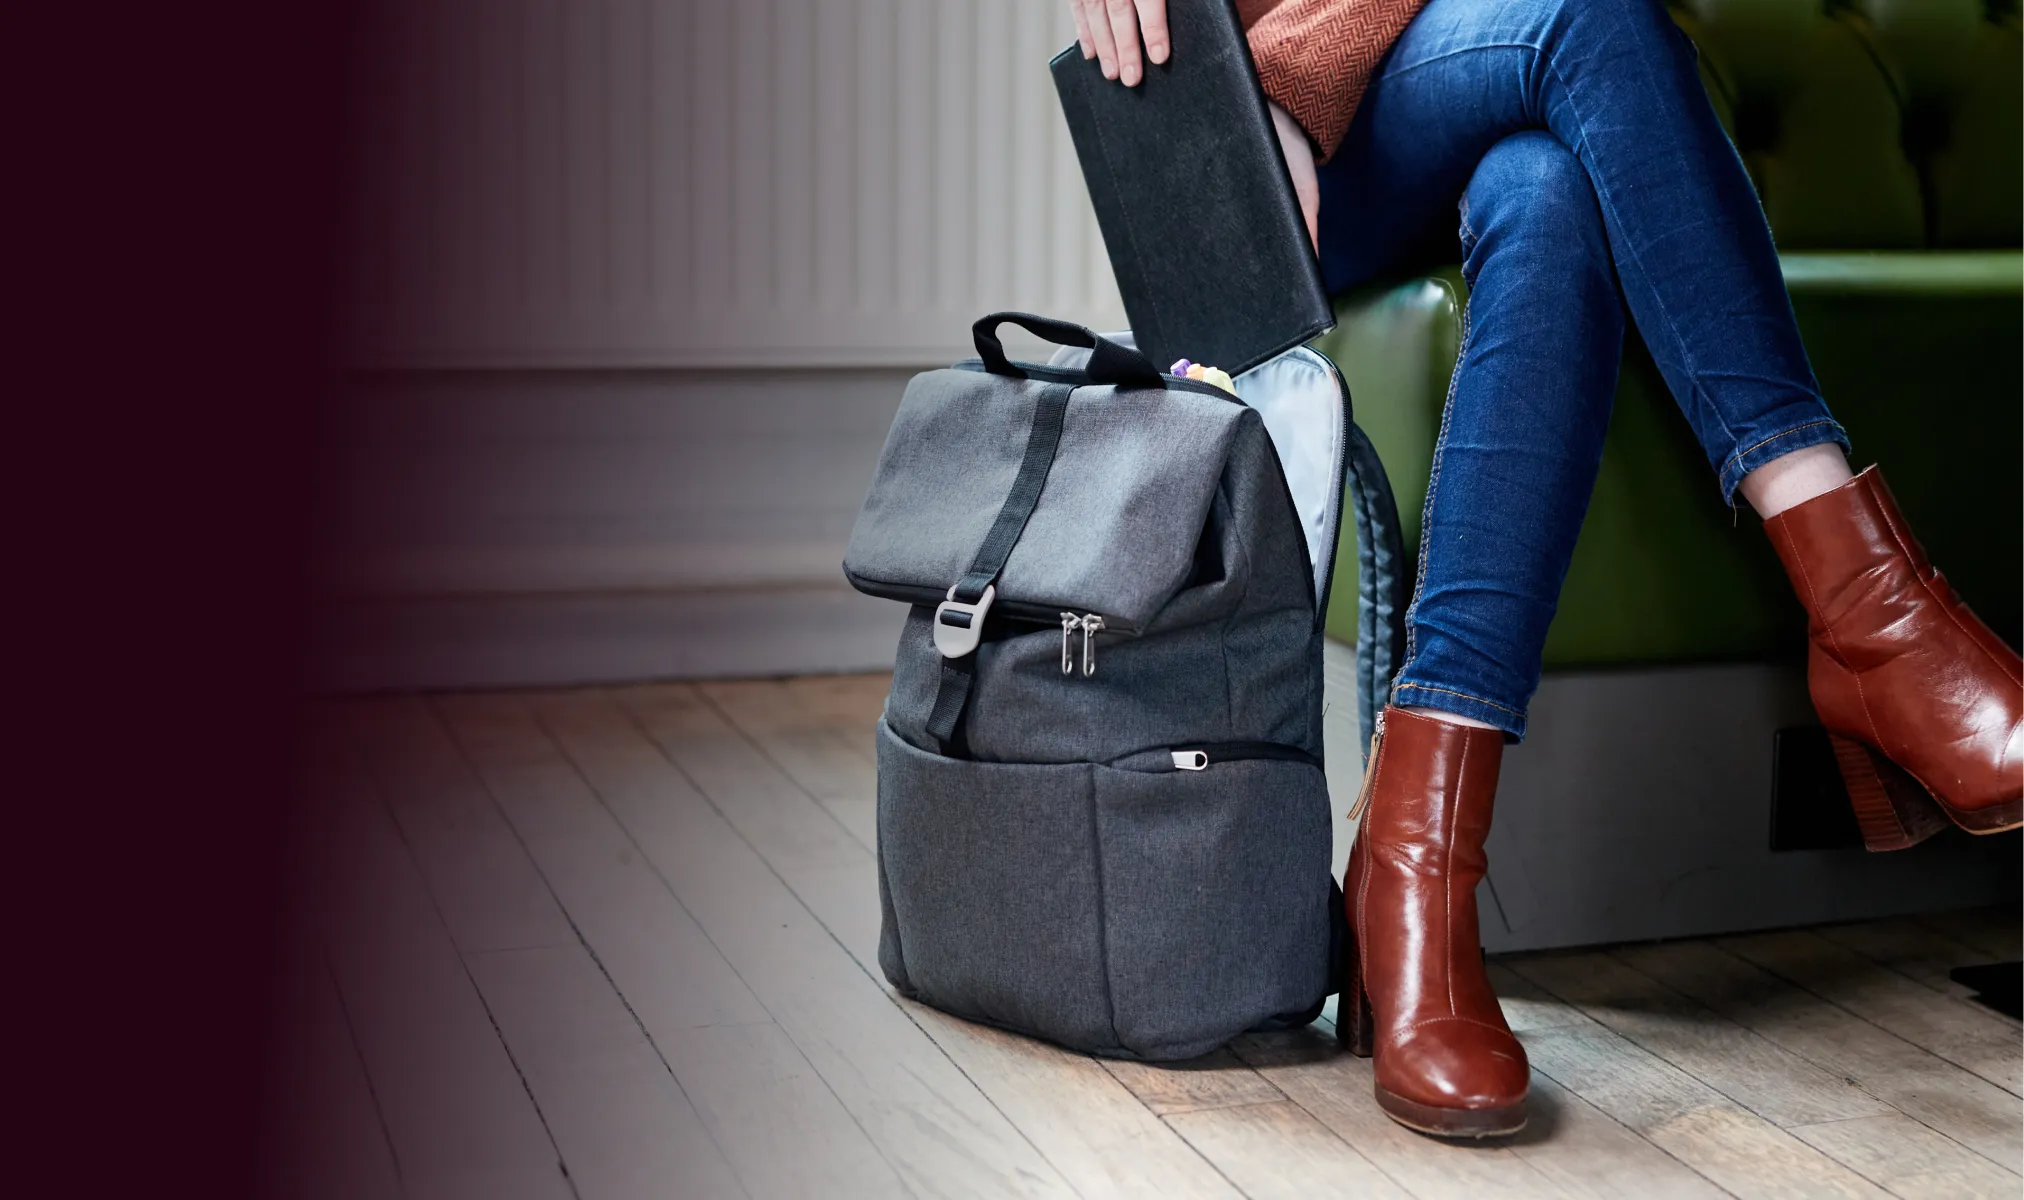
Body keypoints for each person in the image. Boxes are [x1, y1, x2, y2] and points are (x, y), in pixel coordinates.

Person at [1065, 0, 2023, 1139]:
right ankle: (1876, 624)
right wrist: (1273, 85)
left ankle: (1410, 869)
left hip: (1398, 71)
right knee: (1594, 19)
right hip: (1238, 126)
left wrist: (1306, 64)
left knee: (1547, 193)